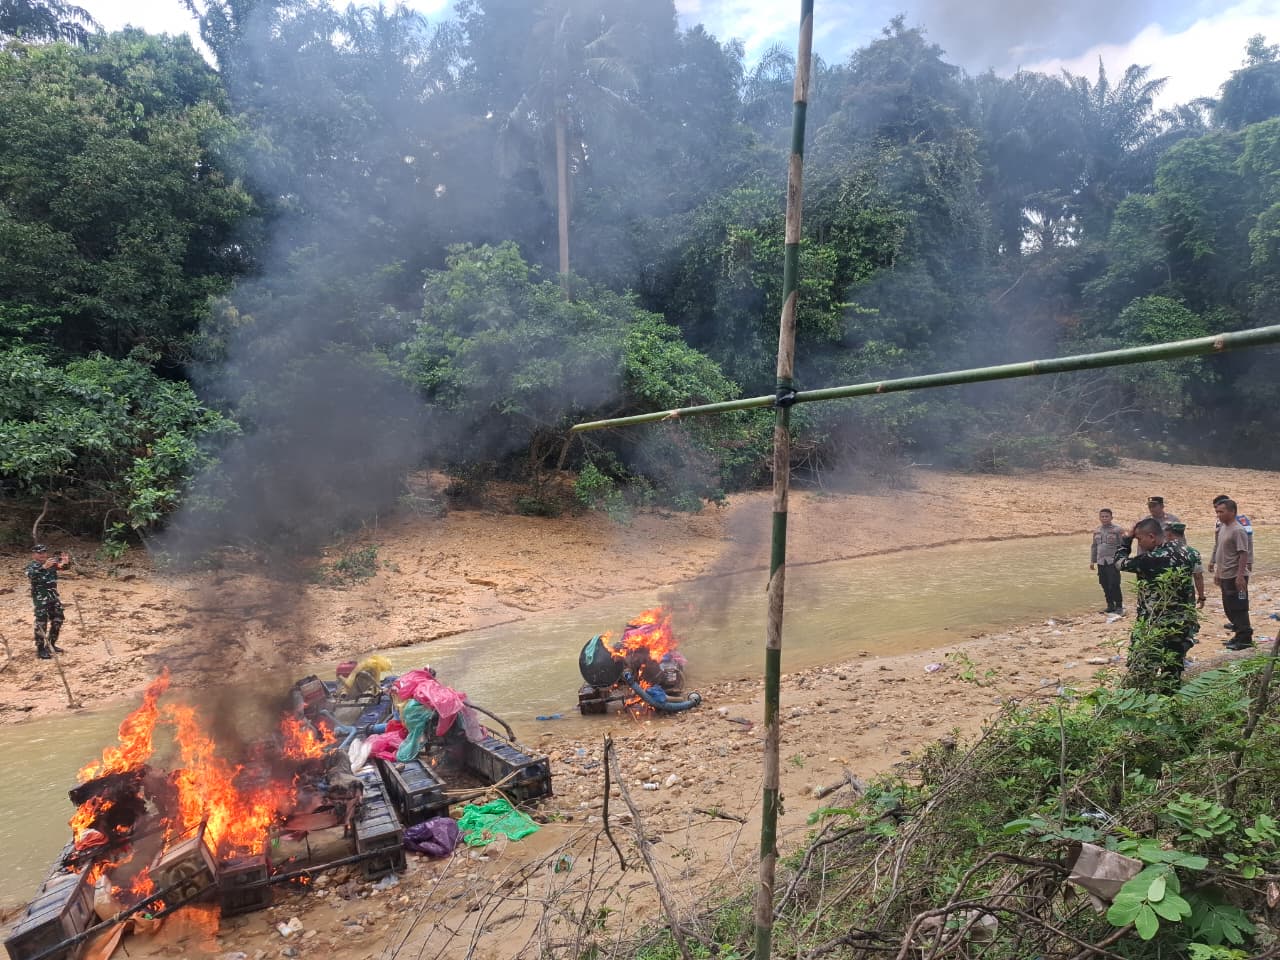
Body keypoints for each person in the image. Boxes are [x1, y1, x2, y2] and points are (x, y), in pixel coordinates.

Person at [1115, 518, 1197, 693]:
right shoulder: (1189, 552)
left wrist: (1126, 540)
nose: (1140, 544)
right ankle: (1170, 705)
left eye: (1140, 539)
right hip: (1181, 624)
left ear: (1151, 536)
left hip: (1155, 624)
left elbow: (1119, 562)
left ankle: (1144, 705)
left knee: (1144, 669)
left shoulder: (1149, 560)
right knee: (1173, 669)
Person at [1211, 498, 1253, 650]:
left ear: (1232, 512)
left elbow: (1243, 554)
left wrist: (1240, 576)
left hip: (1236, 576)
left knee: (1239, 608)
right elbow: (1221, 551)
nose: (1218, 515)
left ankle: (1245, 638)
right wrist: (1217, 571)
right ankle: (1238, 635)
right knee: (1229, 607)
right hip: (1225, 575)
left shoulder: (1238, 530)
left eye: (1221, 512)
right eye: (1217, 512)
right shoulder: (1223, 527)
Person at [26, 544, 70, 659]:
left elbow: (64, 568)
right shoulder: (32, 566)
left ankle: (51, 644)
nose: (42, 555)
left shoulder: (51, 564)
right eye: (39, 553)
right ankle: (40, 649)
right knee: (41, 623)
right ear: (34, 555)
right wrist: (43, 567)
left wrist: (66, 562)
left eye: (44, 552)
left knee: (58, 619)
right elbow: (31, 575)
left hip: (53, 597)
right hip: (41, 599)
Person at [1165, 521, 1207, 615]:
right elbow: (1198, 577)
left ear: (1169, 534)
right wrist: (1201, 597)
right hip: (1187, 594)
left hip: (1165, 593)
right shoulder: (1193, 553)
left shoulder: (1160, 553)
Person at [1090, 508, 1126, 614]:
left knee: (1114, 584)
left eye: (1106, 516)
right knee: (1104, 583)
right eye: (1102, 516)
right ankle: (1110, 605)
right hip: (1101, 561)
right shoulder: (1097, 530)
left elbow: (1124, 546)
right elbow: (1094, 547)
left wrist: (1122, 560)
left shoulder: (1118, 530)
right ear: (1099, 518)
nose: (1104, 518)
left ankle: (1119, 606)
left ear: (1111, 517)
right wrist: (1092, 561)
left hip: (1113, 561)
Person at [1209, 494, 1254, 578]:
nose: (1217, 512)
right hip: (1225, 567)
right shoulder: (1220, 523)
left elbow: (1249, 542)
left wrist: (1249, 561)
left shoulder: (1242, 521)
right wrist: (1213, 560)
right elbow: (1218, 544)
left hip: (1236, 567)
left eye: (1219, 508)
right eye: (1215, 509)